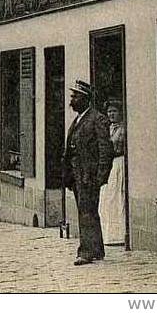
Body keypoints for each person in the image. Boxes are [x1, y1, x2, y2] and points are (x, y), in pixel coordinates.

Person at [62, 80, 114, 266]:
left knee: (87, 212)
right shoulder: (78, 120)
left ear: (85, 99)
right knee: (88, 211)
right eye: (72, 96)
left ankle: (86, 252)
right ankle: (97, 249)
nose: (72, 99)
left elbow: (105, 149)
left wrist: (100, 176)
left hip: (88, 176)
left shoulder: (97, 118)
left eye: (76, 96)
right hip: (77, 176)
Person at [100, 100, 127, 246]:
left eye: (114, 111)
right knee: (107, 198)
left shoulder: (123, 129)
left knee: (117, 197)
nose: (111, 114)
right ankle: (108, 235)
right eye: (109, 111)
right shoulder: (108, 128)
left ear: (120, 113)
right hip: (109, 165)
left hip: (119, 163)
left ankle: (119, 235)